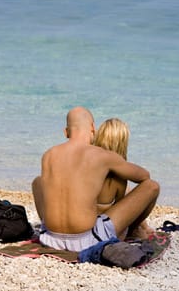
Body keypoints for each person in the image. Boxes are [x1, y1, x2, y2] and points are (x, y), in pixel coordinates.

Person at [32, 106, 159, 252]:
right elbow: (144, 176)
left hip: (50, 239)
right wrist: (116, 164)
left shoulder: (48, 155)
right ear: (93, 127)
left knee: (38, 181)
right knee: (152, 186)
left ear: (66, 132)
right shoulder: (101, 155)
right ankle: (132, 230)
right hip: (87, 240)